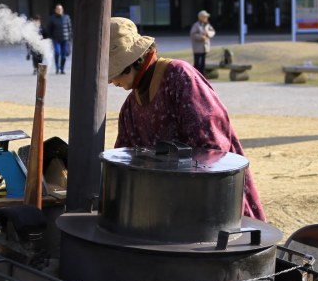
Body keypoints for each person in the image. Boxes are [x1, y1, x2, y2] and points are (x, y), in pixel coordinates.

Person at [107, 17, 265, 221]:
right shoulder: (129, 107)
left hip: (210, 203)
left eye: (113, 73)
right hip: (161, 212)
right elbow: (123, 159)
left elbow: (213, 151)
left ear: (130, 62)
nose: (111, 81)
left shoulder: (180, 77)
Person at [46, 4, 72, 74]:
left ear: (62, 10)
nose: (59, 10)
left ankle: (62, 69)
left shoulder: (67, 17)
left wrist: (69, 38)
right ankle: (57, 68)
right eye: (58, 9)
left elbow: (69, 28)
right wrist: (50, 37)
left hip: (65, 39)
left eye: (60, 9)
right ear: (55, 10)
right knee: (57, 53)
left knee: (64, 56)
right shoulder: (52, 18)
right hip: (56, 39)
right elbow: (49, 29)